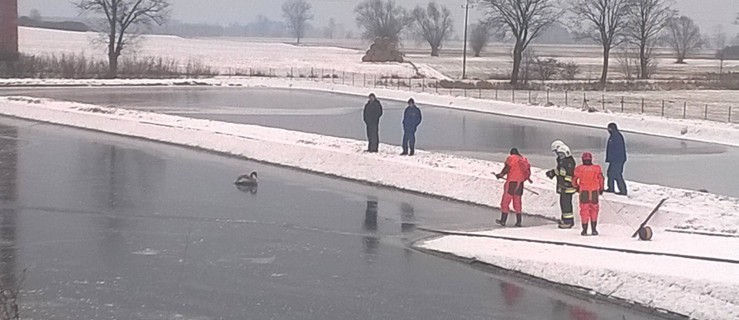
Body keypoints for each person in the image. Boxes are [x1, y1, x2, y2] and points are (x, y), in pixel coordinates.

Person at [495, 148, 532, 227]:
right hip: (520, 183)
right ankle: (518, 222)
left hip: (511, 183)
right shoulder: (523, 159)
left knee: (505, 202)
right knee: (517, 202)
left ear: (511, 153)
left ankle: (503, 220)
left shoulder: (511, 158)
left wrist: (500, 175)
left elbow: (507, 169)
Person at [546, 141, 577, 229]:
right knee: (563, 203)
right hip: (563, 186)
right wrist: (553, 173)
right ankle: (565, 219)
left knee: (566, 204)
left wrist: (565, 182)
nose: (557, 154)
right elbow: (560, 170)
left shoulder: (569, 161)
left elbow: (567, 174)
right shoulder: (562, 160)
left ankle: (568, 222)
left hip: (567, 187)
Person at [573, 152, 605, 236]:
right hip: (594, 192)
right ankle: (594, 229)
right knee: (594, 210)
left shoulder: (579, 169)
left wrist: (576, 187)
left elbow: (574, 180)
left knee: (584, 210)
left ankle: (584, 230)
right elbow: (601, 179)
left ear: (583, 159)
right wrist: (601, 189)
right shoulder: (597, 168)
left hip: (584, 192)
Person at [605, 122, 627, 195]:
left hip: (617, 160)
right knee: (610, 173)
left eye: (609, 128)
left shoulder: (617, 136)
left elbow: (618, 149)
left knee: (617, 174)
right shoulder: (613, 136)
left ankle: (623, 190)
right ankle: (611, 188)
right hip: (614, 160)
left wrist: (613, 158)